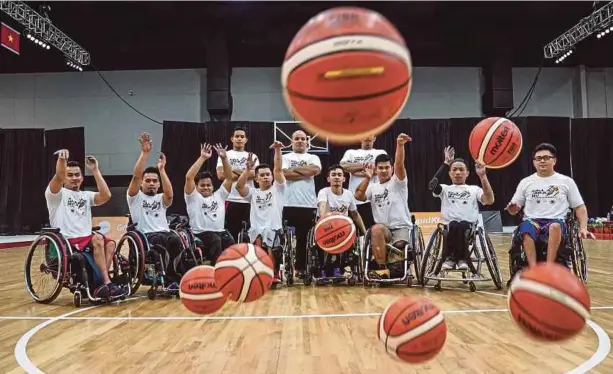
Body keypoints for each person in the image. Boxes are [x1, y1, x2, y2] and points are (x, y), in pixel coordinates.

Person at [45, 149, 125, 298]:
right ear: (64, 178)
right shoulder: (56, 195)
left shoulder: (86, 195)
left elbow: (106, 195)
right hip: (67, 240)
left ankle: (100, 282)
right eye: (70, 175)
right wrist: (62, 161)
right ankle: (106, 283)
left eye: (77, 175)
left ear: (82, 178)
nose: (74, 178)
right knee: (98, 239)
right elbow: (58, 176)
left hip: (85, 238)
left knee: (111, 244)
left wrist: (95, 170)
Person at [506, 143, 594, 267]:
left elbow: (579, 207)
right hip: (533, 221)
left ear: (554, 161)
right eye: (538, 158)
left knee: (555, 226)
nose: (542, 161)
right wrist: (512, 208)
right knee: (526, 228)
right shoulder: (525, 182)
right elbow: (514, 209)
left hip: (556, 221)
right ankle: (533, 269)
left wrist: (583, 228)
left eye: (546, 158)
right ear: (534, 162)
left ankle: (549, 267)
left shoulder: (566, 181)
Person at [127, 132, 181, 290]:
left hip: (165, 232)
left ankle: (176, 277)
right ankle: (165, 278)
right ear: (142, 183)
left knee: (176, 239)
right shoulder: (135, 198)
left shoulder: (160, 198)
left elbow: (170, 194)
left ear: (158, 185)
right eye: (148, 181)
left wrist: (162, 170)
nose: (151, 183)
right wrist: (145, 154)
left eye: (154, 181)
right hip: (146, 235)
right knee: (162, 240)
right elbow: (136, 176)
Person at [354, 133, 413, 280]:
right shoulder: (373, 187)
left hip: (400, 226)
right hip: (384, 229)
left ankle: (393, 268)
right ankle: (382, 268)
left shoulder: (398, 183)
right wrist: (367, 178)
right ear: (376, 169)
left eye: (387, 167)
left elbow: (399, 164)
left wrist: (399, 145)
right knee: (376, 229)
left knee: (399, 248)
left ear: (391, 169)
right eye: (381, 168)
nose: (384, 170)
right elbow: (358, 196)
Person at [428, 146, 495, 270]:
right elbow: (432, 185)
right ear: (450, 173)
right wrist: (445, 163)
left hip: (469, 228)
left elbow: (489, 200)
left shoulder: (474, 189)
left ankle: (458, 258)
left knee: (462, 224)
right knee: (454, 224)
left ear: (467, 173)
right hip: (448, 227)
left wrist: (483, 176)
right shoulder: (445, 189)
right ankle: (456, 258)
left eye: (461, 169)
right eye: (454, 170)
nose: (458, 172)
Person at [236, 141, 286, 284]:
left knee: (269, 240)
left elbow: (278, 169)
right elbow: (239, 186)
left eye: (267, 174)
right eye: (262, 175)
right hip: (256, 228)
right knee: (257, 238)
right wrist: (247, 170)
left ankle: (270, 272)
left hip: (274, 228)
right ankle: (258, 272)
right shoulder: (253, 193)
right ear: (256, 179)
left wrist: (277, 150)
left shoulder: (278, 189)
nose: (265, 177)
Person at [184, 143, 234, 265]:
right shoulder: (193, 197)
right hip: (200, 233)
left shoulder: (219, 195)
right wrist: (202, 158)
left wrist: (224, 158)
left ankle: (231, 270)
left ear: (212, 186)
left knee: (230, 240)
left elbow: (229, 178)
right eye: (202, 185)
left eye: (208, 185)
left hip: (220, 231)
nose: (206, 187)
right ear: (197, 187)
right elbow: (189, 177)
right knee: (216, 240)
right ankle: (215, 270)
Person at [282, 130, 321, 277]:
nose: (300, 141)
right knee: (282, 237)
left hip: (307, 204)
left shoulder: (313, 157)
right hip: (287, 203)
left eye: (303, 139)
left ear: (307, 142)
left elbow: (315, 170)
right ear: (291, 141)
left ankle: (301, 269)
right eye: (297, 138)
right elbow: (283, 173)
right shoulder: (285, 157)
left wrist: (294, 170)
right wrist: (305, 172)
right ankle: (281, 268)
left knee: (304, 239)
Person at [316, 164, 367, 277]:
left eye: (339, 175)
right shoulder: (324, 192)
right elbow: (322, 206)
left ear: (344, 179)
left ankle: (341, 266)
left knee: (349, 237)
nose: (336, 177)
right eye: (333, 175)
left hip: (343, 228)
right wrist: (324, 221)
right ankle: (326, 267)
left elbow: (355, 214)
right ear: (329, 179)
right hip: (326, 227)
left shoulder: (348, 194)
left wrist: (364, 232)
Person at [216, 126, 260, 242]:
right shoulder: (225, 155)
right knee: (231, 234)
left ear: (246, 140)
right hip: (230, 199)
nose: (239, 139)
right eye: (237, 136)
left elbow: (254, 175)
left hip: (248, 200)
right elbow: (221, 175)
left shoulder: (252, 156)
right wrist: (244, 172)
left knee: (249, 234)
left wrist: (231, 171)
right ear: (232, 139)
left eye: (242, 137)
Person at [340, 135, 387, 228]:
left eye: (370, 137)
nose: (368, 139)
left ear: (374, 138)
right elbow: (343, 167)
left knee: (376, 230)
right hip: (355, 199)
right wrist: (365, 166)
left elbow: (381, 170)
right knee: (358, 232)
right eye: (365, 137)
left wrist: (354, 170)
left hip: (376, 198)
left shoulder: (380, 152)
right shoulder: (351, 153)